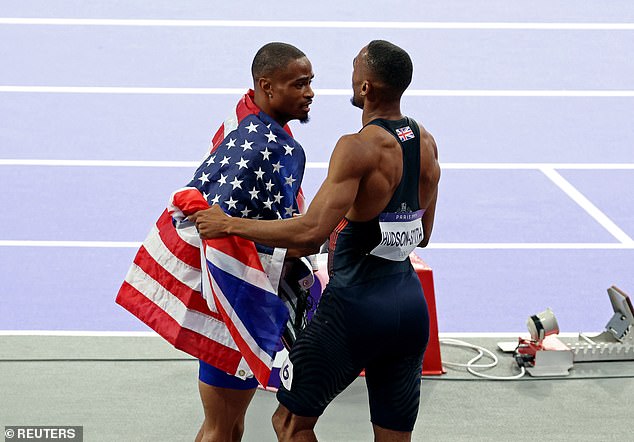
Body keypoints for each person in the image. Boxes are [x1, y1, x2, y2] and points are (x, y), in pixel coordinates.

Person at [190, 40, 440, 441]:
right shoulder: (426, 143)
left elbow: (310, 231)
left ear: (365, 89)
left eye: (355, 67)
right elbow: (423, 235)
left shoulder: (357, 148)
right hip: (410, 309)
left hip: (355, 308)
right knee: (394, 436)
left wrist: (229, 224)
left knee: (289, 424)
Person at [116, 42, 314, 442]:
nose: (310, 93)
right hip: (236, 299)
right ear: (267, 87)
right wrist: (323, 239)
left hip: (236, 295)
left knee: (226, 425)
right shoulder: (266, 150)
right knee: (222, 427)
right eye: (300, 84)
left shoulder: (251, 122)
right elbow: (223, 231)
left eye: (311, 83)